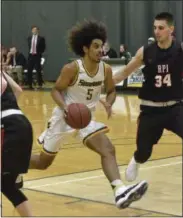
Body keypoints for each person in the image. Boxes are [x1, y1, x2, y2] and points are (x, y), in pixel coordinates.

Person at [29, 19, 148, 209]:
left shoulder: (106, 69)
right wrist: (65, 107)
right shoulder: (72, 69)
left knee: (108, 149)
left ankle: (119, 191)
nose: (100, 50)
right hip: (64, 118)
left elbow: (111, 90)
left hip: (85, 119)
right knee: (43, 163)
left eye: (102, 46)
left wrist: (109, 103)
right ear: (85, 48)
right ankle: (10, 165)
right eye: (95, 46)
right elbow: (55, 91)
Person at [113, 12, 183, 182]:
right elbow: (124, 72)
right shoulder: (146, 51)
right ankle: (136, 160)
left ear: (171, 29)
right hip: (151, 110)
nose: (156, 31)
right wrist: (105, 85)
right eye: (155, 28)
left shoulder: (180, 49)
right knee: (144, 152)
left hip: (174, 108)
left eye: (161, 28)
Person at [1, 48, 33, 216]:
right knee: (6, 184)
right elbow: (18, 90)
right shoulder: (2, 73)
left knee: (5, 182)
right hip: (22, 123)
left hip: (9, 128)